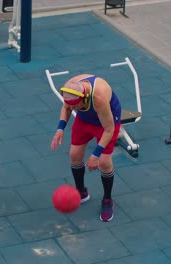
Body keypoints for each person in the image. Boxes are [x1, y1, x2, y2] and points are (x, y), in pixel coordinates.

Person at [50, 74, 121, 222]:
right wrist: (60, 129)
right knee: (74, 155)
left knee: (104, 162)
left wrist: (95, 155)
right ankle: (81, 192)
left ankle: (107, 200)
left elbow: (109, 130)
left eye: (75, 106)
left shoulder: (99, 98)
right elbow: (66, 108)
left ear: (84, 98)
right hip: (85, 119)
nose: (71, 108)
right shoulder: (71, 89)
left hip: (106, 122)